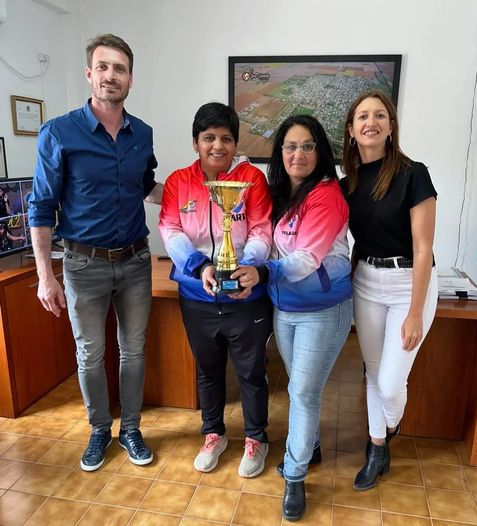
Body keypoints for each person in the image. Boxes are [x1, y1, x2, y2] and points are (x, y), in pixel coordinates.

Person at [29, 33, 163, 472]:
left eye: (119, 69)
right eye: (103, 67)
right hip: (82, 264)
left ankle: (131, 430)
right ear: (89, 74)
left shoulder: (142, 134)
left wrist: (197, 192)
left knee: (134, 350)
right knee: (89, 353)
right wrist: (45, 277)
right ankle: (100, 430)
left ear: (130, 79)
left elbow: (146, 187)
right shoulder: (59, 132)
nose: (111, 75)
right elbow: (41, 207)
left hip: (136, 261)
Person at [233, 115, 352, 521]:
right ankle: (310, 445)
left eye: (306, 146)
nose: (297, 154)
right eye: (289, 146)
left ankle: (296, 475)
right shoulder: (282, 193)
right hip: (284, 309)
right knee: (302, 387)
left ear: (320, 152)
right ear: (279, 152)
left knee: (302, 392)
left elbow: (304, 259)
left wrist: (261, 272)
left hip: (322, 310)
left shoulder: (327, 195)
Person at [159, 102, 273, 478]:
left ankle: (256, 438)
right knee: (207, 371)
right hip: (197, 295)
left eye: (226, 138)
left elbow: (261, 228)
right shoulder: (178, 182)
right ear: (196, 142)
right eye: (209, 138)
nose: (218, 146)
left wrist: (247, 269)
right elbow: (170, 229)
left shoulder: (252, 179)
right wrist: (199, 266)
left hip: (246, 297)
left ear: (235, 143)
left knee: (251, 372)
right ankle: (213, 434)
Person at [340, 90, 438, 491]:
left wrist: (415, 311)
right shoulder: (347, 184)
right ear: (351, 130)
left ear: (391, 126)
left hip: (408, 284)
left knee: (390, 382)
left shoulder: (414, 174)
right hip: (366, 282)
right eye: (363, 116)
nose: (371, 122)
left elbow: (423, 248)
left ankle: (389, 426)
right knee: (373, 371)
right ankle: (377, 447)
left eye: (380, 115)